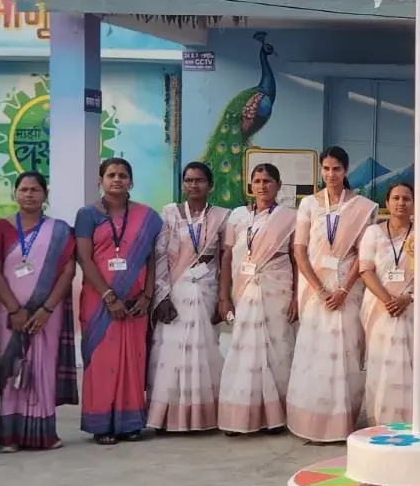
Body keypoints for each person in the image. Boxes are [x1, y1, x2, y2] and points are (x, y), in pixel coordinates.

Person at [287, 146, 376, 444]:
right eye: (326, 168)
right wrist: (319, 289)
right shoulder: (309, 204)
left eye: (336, 169)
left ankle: (341, 423)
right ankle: (311, 422)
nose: (330, 174)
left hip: (347, 289)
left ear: (345, 170)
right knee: (314, 354)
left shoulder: (362, 207)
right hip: (316, 290)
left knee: (344, 354)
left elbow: (364, 254)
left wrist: (343, 290)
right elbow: (299, 250)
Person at [0, 171, 77, 452]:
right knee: (10, 368)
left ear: (44, 195)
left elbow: (68, 271)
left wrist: (47, 309)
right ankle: (9, 437)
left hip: (47, 314)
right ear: (15, 194)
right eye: (23, 189)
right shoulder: (0, 228)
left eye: (35, 190)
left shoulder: (60, 230)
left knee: (43, 369)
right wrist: (14, 310)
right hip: (9, 314)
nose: (29, 194)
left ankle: (42, 435)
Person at [74, 158, 163, 446]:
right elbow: (84, 258)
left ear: (131, 181)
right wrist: (108, 296)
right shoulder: (87, 215)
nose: (117, 179)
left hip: (136, 303)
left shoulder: (147, 216)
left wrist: (147, 296)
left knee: (133, 360)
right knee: (102, 360)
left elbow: (152, 258)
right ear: (100, 180)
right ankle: (102, 424)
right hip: (98, 302)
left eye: (123, 175)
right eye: (111, 175)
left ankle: (130, 422)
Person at [147, 161, 229, 433]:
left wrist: (222, 298)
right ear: (183, 184)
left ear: (210, 185)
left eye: (199, 180)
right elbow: (160, 255)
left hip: (206, 291)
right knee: (171, 352)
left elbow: (223, 259)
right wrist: (162, 296)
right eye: (189, 180)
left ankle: (202, 417)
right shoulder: (170, 213)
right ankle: (168, 416)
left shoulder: (221, 217)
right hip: (175, 292)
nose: (194, 185)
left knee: (203, 351)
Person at [360, 181, 420, 426]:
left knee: (413, 363)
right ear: (387, 203)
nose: (401, 203)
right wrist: (388, 300)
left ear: (414, 204)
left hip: (414, 309)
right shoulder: (373, 233)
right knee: (382, 364)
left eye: (407, 198)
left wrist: (407, 297)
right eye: (396, 198)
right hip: (380, 310)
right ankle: (380, 421)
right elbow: (366, 270)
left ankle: (412, 421)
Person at [216, 163, 297, 435]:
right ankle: (241, 416)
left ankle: (275, 417)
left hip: (278, 287)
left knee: (277, 348)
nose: (262, 186)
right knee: (245, 348)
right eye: (258, 181)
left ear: (278, 185)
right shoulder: (238, 216)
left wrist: (297, 298)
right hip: (245, 288)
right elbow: (227, 256)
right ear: (251, 185)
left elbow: (296, 259)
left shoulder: (290, 217)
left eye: (268, 181)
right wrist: (224, 296)